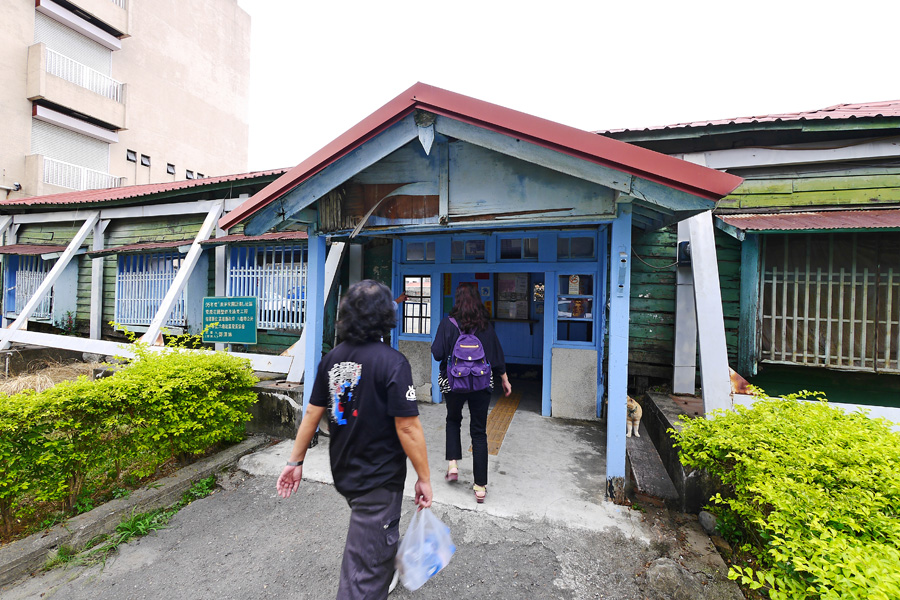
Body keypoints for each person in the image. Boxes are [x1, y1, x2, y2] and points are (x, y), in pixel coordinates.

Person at [277, 279, 433, 599]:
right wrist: (425, 478)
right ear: (385, 316)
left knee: (374, 539)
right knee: (362, 576)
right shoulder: (392, 362)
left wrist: (295, 461)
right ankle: (378, 567)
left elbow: (311, 413)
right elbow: (408, 428)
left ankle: (382, 561)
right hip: (377, 480)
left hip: (347, 473)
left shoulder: (332, 358)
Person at [431, 283, 511, 504]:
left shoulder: (448, 324)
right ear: (477, 300)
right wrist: (504, 379)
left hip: (453, 383)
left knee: (453, 420)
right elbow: (496, 356)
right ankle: (480, 487)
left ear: (457, 300)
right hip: (481, 384)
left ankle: (453, 464)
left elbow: (437, 353)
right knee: (479, 432)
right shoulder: (485, 326)